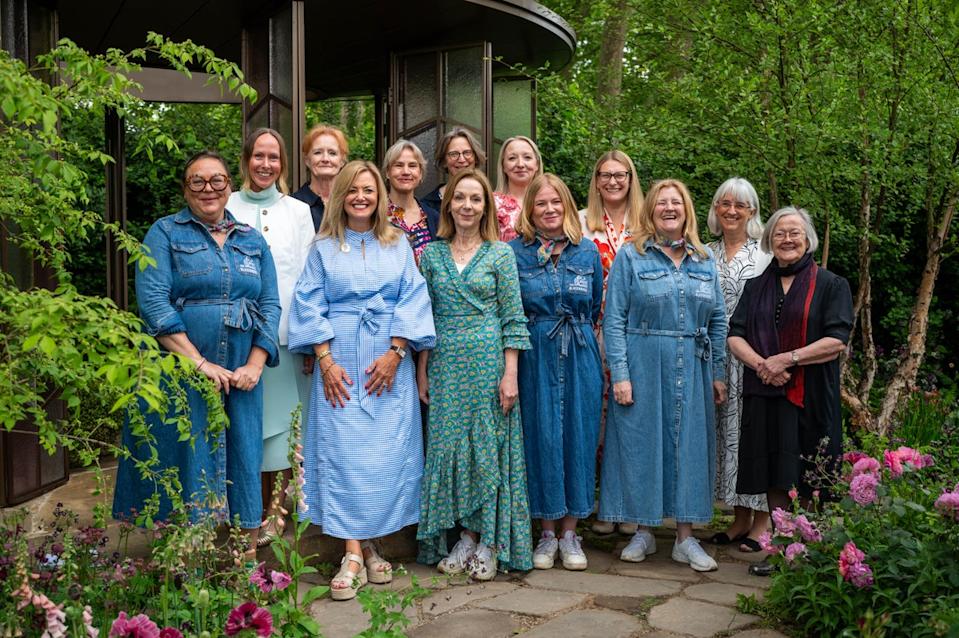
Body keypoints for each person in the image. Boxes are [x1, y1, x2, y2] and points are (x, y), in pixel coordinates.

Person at [113, 151, 281, 559]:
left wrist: (256, 363)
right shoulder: (165, 233)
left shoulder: (252, 240)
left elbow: (271, 303)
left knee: (243, 451)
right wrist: (199, 364)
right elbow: (154, 304)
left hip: (242, 366)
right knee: (188, 452)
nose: (209, 189)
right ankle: (189, 561)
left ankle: (245, 563)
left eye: (217, 180)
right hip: (184, 366)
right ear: (185, 189)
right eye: (198, 181)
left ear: (229, 185)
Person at [287, 161, 436, 600]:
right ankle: (353, 553)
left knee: (383, 459)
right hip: (341, 366)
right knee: (342, 456)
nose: (360, 197)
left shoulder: (398, 243)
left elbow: (413, 297)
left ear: (379, 196)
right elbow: (308, 303)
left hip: (389, 366)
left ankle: (371, 546)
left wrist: (395, 353)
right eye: (353, 190)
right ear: (340, 196)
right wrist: (326, 360)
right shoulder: (324, 247)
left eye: (369, 190)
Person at [600, 179, 728, 572]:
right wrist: (620, 374)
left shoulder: (704, 259)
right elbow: (614, 319)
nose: (669, 208)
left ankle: (685, 539)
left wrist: (718, 372)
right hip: (642, 360)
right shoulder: (632, 257)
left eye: (676, 203)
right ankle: (642, 531)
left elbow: (719, 318)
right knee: (641, 444)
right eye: (662, 203)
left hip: (693, 362)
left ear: (687, 211)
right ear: (651, 211)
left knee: (689, 446)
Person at [416, 169, 533, 579]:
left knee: (487, 450)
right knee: (449, 449)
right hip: (446, 363)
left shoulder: (501, 254)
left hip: (488, 363)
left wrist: (510, 373)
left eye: (476, 199)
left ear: (486, 207)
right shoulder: (431, 255)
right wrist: (422, 370)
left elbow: (513, 319)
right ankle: (464, 536)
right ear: (448, 204)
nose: (467, 206)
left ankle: (490, 543)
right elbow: (422, 319)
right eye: (460, 198)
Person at [727, 206, 853, 576]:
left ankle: (813, 549)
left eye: (794, 232)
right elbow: (735, 335)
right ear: (769, 240)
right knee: (774, 471)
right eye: (779, 233)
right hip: (765, 392)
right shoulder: (756, 286)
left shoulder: (832, 284)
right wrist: (763, 365)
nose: (787, 239)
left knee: (813, 472)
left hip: (811, 394)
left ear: (808, 238)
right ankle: (782, 548)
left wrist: (787, 359)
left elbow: (837, 340)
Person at [510, 174, 604, 571]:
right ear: (529, 210)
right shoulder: (515, 252)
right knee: (543, 436)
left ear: (567, 206)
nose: (549, 210)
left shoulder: (587, 253)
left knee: (579, 437)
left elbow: (596, 302)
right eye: (540, 204)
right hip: (536, 351)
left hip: (580, 350)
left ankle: (571, 532)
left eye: (556, 203)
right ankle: (547, 533)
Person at [227, 128, 315, 546]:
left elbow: (309, 277)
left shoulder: (298, 211)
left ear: (283, 163)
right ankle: (247, 509)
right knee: (248, 429)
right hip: (236, 340)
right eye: (258, 156)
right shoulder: (225, 207)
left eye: (274, 157)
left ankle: (277, 514)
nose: (266, 164)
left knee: (284, 431)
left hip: (283, 340)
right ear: (246, 159)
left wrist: (312, 339)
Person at [704, 178, 772, 554]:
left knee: (753, 437)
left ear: (752, 211)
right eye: (724, 203)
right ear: (715, 209)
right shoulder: (704, 253)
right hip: (714, 357)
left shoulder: (764, 254)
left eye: (740, 205)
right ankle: (739, 517)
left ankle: (762, 523)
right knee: (726, 438)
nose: (731, 210)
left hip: (751, 356)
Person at [579, 150, 644, 537]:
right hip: (592, 330)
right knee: (598, 418)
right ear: (596, 180)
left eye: (620, 175)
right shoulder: (584, 225)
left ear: (631, 179)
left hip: (636, 334)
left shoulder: (646, 225)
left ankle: (630, 503)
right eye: (605, 175)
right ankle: (603, 503)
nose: (613, 181)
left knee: (631, 418)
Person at [382, 139, 439, 264]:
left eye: (412, 166)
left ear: (420, 173)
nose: (406, 172)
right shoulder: (375, 214)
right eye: (399, 165)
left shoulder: (433, 217)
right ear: (387, 172)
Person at [292, 124, 349, 232]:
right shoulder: (293, 204)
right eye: (318, 152)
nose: (325, 159)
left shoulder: (352, 201)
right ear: (307, 160)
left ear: (342, 161)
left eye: (332, 153)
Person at [421, 127, 486, 213]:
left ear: (476, 157)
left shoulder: (489, 199)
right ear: (444, 161)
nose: (462, 160)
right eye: (454, 154)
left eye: (467, 153)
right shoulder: (428, 205)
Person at [493, 135, 544, 242]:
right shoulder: (491, 203)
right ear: (503, 166)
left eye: (527, 157)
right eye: (512, 158)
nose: (520, 164)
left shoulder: (550, 201)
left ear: (537, 165)